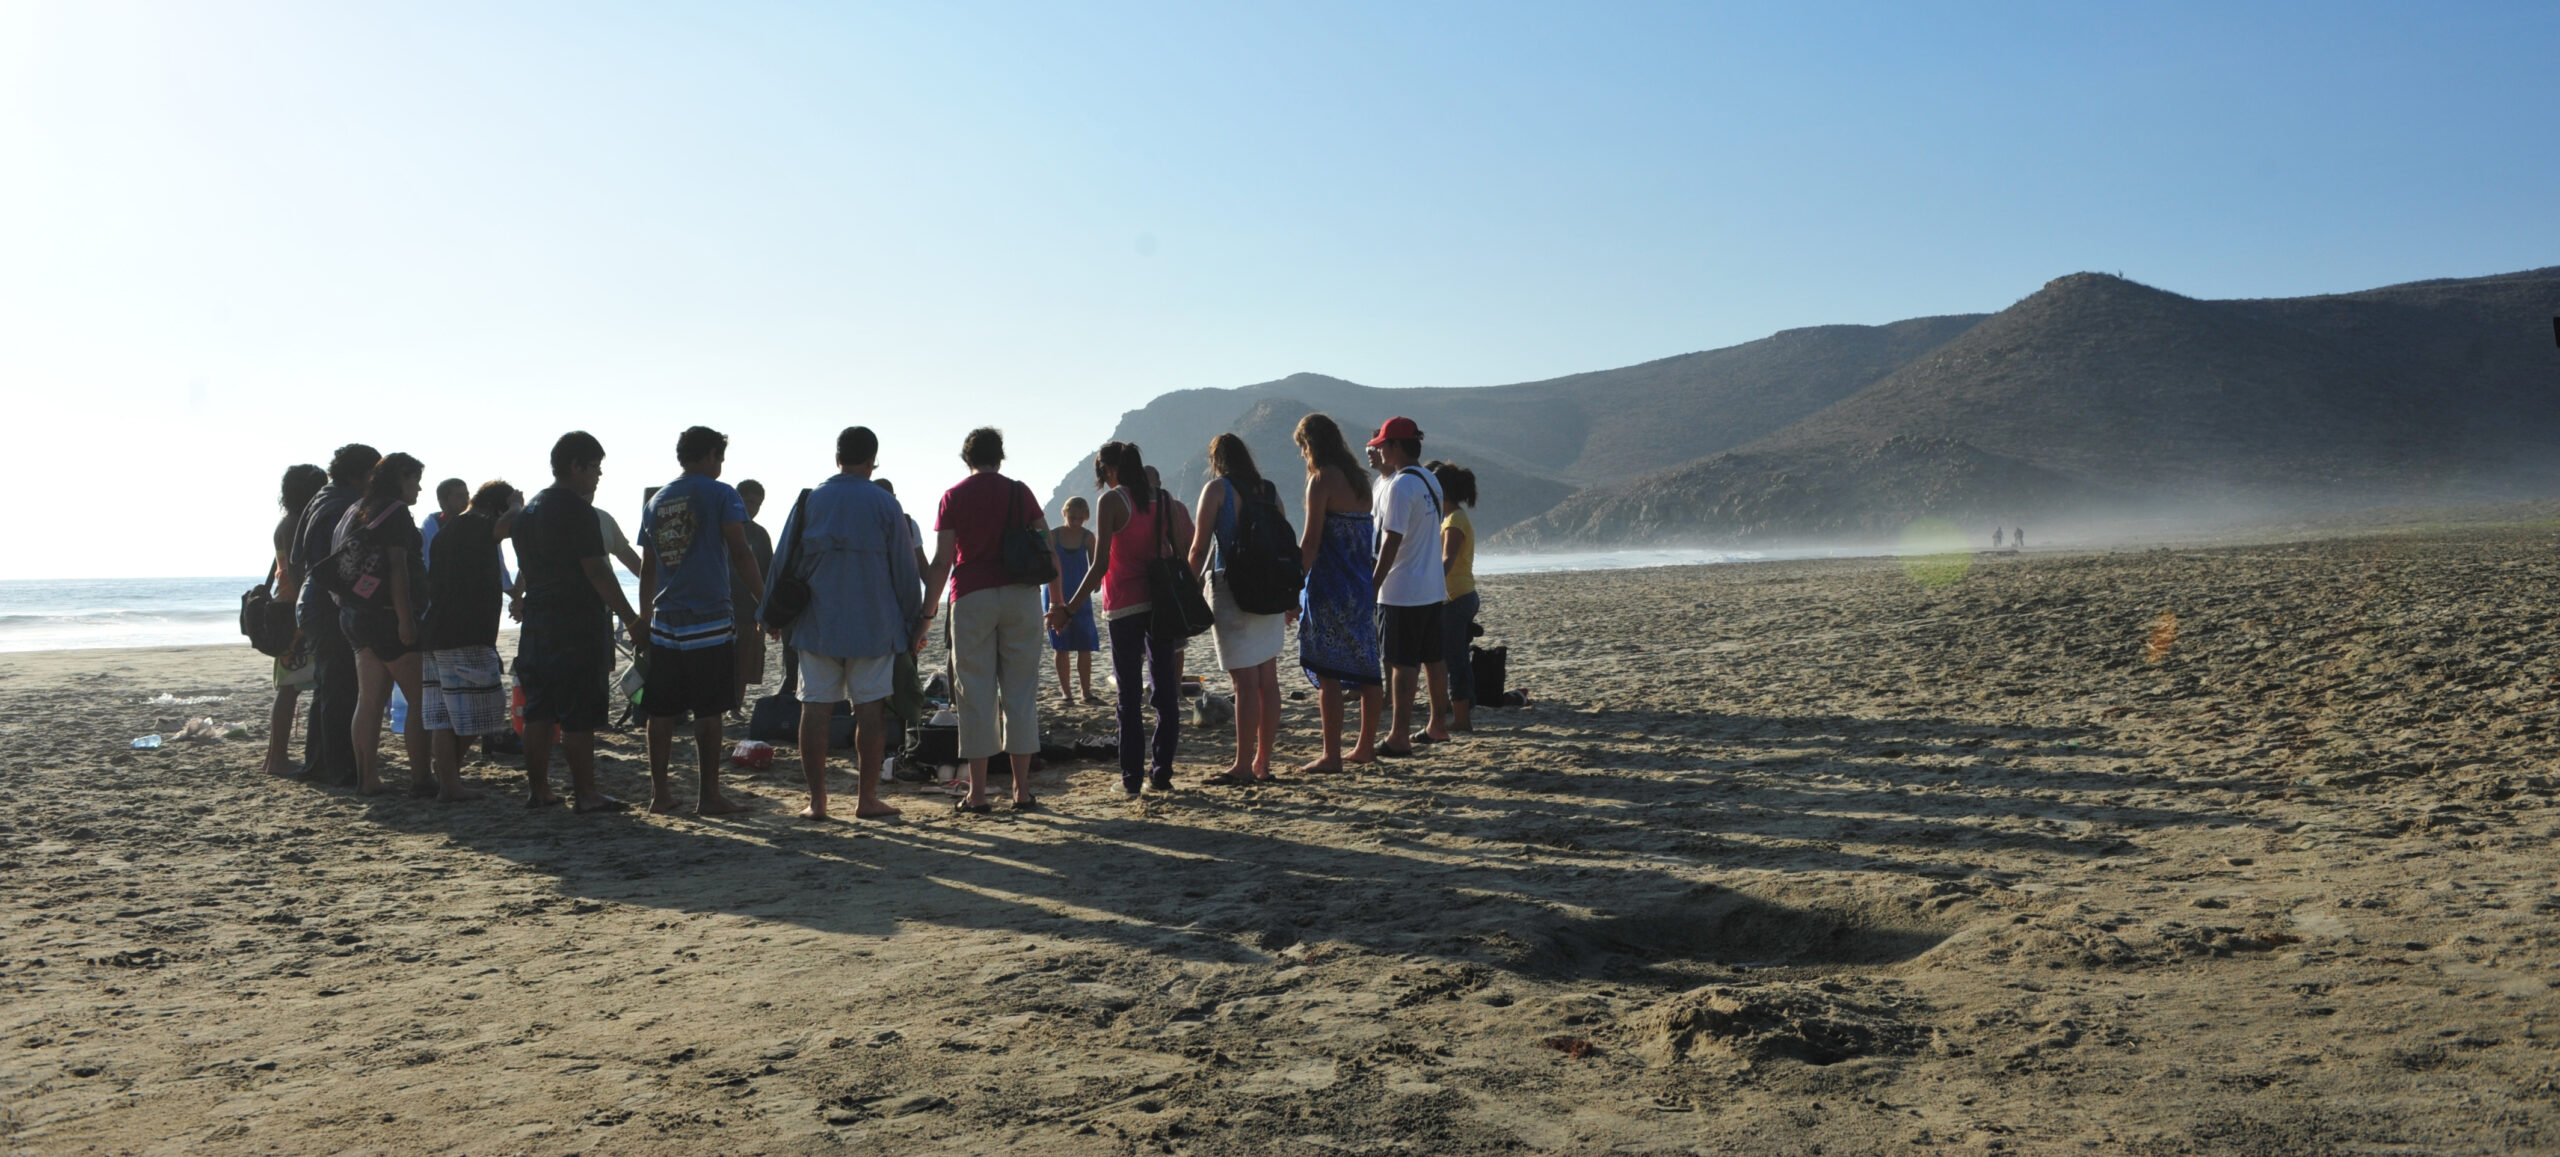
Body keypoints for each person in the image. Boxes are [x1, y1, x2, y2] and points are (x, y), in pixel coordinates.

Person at [766, 427, 925, 821]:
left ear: (836, 458)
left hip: (818, 623)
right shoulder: (886, 504)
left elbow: (783, 559)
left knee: (815, 710)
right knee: (870, 712)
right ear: (873, 460)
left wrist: (769, 614)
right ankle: (866, 800)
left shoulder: (810, 500)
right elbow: (904, 570)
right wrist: (914, 623)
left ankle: (817, 802)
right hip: (874, 624)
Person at [637, 426, 766, 816]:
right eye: (720, 458)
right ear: (709, 455)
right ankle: (708, 795)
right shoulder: (720, 493)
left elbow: (648, 568)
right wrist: (765, 601)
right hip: (707, 617)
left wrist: (644, 618)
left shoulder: (657, 500)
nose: (721, 465)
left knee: (660, 712)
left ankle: (660, 794)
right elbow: (741, 553)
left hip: (665, 619)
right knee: (709, 712)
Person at [515, 431, 646, 812]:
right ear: (575, 466)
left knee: (539, 709)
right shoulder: (577, 510)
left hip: (537, 621)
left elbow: (528, 570)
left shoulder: (527, 513)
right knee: (578, 714)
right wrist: (632, 619)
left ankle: (538, 790)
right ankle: (585, 793)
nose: (598, 476)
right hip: (574, 621)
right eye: (594, 468)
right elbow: (598, 572)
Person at [1051, 440, 1183, 798]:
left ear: (1109, 470)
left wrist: (1069, 608)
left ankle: (1130, 780)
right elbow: (1182, 548)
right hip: (1161, 604)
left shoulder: (1112, 501)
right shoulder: (1165, 499)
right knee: (1165, 689)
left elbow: (1100, 565)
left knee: (1128, 696)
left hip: (1124, 605)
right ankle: (1162, 772)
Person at [930, 428, 1052, 811]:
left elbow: (942, 560)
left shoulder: (953, 496)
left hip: (972, 595)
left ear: (966, 459)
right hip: (1020, 594)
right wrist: (1059, 601)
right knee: (1020, 692)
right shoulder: (1019, 491)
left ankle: (978, 793)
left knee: (975, 694)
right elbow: (1046, 547)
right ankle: (1021, 790)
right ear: (1000, 457)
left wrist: (926, 612)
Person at [331, 452, 432, 796]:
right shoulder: (395, 513)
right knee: (420, 699)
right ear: (399, 478)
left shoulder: (356, 510)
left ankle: (367, 779)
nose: (419, 487)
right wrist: (406, 620)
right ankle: (421, 779)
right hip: (388, 615)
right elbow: (397, 568)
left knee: (369, 700)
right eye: (414, 479)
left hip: (355, 615)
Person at [1187, 435, 1286, 784]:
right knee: (1267, 679)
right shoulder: (1270, 490)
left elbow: (1199, 548)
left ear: (1217, 460)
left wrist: (1188, 585)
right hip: (1272, 591)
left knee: (1244, 682)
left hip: (1233, 588)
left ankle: (1243, 765)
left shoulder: (1217, 490)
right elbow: (1282, 543)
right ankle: (1263, 762)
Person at [1291, 415, 1383, 772]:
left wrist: (1292, 585)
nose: (1302, 454)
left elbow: (1311, 541)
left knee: (1327, 672)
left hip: (1329, 586)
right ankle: (1365, 747)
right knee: (1366, 668)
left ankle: (1331, 755)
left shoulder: (1321, 480)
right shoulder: (1362, 481)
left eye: (1303, 446)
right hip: (1360, 586)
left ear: (1312, 444)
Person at [282, 443, 377, 785]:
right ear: (359, 474)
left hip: (313, 602)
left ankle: (321, 763)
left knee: (329, 688)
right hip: (326, 604)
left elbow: (299, 560)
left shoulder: (324, 498)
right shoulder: (343, 505)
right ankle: (338, 768)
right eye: (374, 473)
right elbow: (337, 565)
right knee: (340, 689)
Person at [418, 480, 516, 803]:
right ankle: (449, 780)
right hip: (466, 634)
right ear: (496, 507)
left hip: (436, 632)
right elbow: (504, 527)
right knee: (484, 709)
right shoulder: (477, 525)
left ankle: (448, 783)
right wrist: (518, 505)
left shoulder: (447, 530)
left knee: (443, 716)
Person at [1367, 417, 1452, 756]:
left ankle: (1399, 735)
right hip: (1430, 585)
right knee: (1433, 658)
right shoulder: (1429, 478)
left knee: (1402, 663)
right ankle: (1437, 724)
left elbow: (1392, 540)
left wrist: (1373, 585)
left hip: (1402, 588)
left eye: (1383, 445)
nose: (1379, 450)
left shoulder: (1401, 485)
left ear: (1397, 447)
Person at [263, 464, 327, 777]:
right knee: (289, 689)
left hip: (289, 609)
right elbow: (299, 573)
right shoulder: (295, 525)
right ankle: (276, 759)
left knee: (290, 688)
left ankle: (275, 757)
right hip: (295, 614)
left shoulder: (287, 522)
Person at [1430, 460, 1480, 733]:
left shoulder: (1455, 520)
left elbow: (1447, 558)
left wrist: (1430, 584)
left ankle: (1461, 719)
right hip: (1459, 595)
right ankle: (1460, 711)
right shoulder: (1449, 518)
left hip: (1455, 597)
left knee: (1454, 658)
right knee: (1454, 656)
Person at [1045, 496, 1102, 705]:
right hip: (1056, 593)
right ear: (1064, 513)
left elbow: (1097, 562)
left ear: (1085, 517)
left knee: (1084, 643)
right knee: (1061, 645)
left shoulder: (1088, 537)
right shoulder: (1053, 536)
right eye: (1072, 517)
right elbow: (1044, 564)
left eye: (1080, 518)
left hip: (1081, 594)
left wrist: (1098, 581)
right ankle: (1066, 692)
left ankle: (1086, 692)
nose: (1076, 521)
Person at [730, 479, 775, 713]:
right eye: (748, 501)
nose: (753, 508)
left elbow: (769, 572)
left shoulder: (760, 534)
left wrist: (767, 609)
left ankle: (735, 707)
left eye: (758, 504)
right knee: (721, 664)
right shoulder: (723, 527)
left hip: (750, 610)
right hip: (724, 608)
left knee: (745, 665)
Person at [418, 478, 469, 561]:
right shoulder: (429, 530)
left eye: (467, 495)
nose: (466, 500)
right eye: (459, 496)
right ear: (443, 501)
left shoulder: (471, 524)